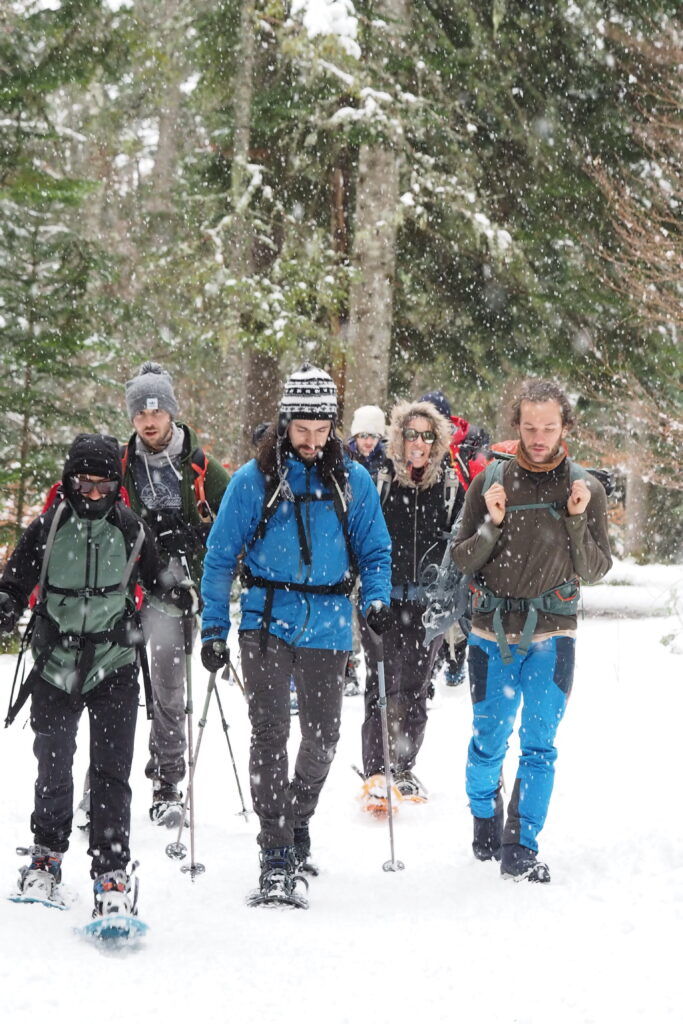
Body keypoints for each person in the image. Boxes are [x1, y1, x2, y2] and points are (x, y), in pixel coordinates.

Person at [200, 363, 392, 906]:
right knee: (269, 734)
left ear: (333, 425)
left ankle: (296, 816)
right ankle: (276, 849)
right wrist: (214, 627)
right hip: (265, 619)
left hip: (329, 623)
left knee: (324, 738)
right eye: (300, 430)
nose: (310, 442)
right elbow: (218, 559)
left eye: (320, 429)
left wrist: (375, 598)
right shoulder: (253, 480)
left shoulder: (351, 480)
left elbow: (375, 551)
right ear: (285, 423)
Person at [0, 435, 195, 916]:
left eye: (103, 485)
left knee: (111, 772)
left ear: (115, 486)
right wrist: (4, 606)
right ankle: (46, 859)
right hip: (54, 666)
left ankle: (111, 874)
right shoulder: (49, 526)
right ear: (68, 482)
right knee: (53, 762)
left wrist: (178, 589)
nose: (92, 494)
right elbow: (14, 582)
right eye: (83, 484)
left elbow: (159, 578)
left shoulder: (130, 528)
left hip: (115, 663)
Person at [452, 379, 612, 882]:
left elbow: (594, 568)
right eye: (528, 426)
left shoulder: (586, 487)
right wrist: (491, 524)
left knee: (540, 744)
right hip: (490, 634)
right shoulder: (489, 482)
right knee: (488, 742)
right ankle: (484, 813)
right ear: (516, 426)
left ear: (565, 425)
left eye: (548, 427)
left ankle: (521, 844)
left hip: (553, 635)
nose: (538, 436)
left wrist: (577, 519)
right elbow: (462, 558)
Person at [121, 362, 230, 827]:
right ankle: (101, 786)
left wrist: (197, 542)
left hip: (176, 595)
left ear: (171, 413)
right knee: (114, 693)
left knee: (168, 691)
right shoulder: (120, 464)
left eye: (157, 411)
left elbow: (234, 528)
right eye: (140, 413)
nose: (149, 421)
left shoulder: (202, 466)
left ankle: (167, 783)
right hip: (124, 594)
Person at [359, 398, 458, 813]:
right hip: (383, 598)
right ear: (397, 437)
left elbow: (461, 538)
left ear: (437, 440)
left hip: (427, 604)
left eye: (427, 435)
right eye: (411, 434)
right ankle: (376, 771)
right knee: (381, 682)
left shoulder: (450, 484)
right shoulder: (379, 478)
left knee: (416, 687)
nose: (418, 442)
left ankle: (403, 765)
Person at [420, 389, 489, 688]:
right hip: (435, 532)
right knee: (434, 598)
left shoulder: (469, 447)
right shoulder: (421, 445)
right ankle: (432, 664)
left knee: (458, 597)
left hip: (463, 529)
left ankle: (457, 657)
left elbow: (482, 481)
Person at [345, 404, 388, 695]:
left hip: (373, 541)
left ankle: (375, 663)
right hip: (348, 545)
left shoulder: (388, 465)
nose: (368, 441)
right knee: (347, 611)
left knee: (370, 605)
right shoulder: (343, 462)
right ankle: (349, 664)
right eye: (363, 435)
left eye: (373, 435)